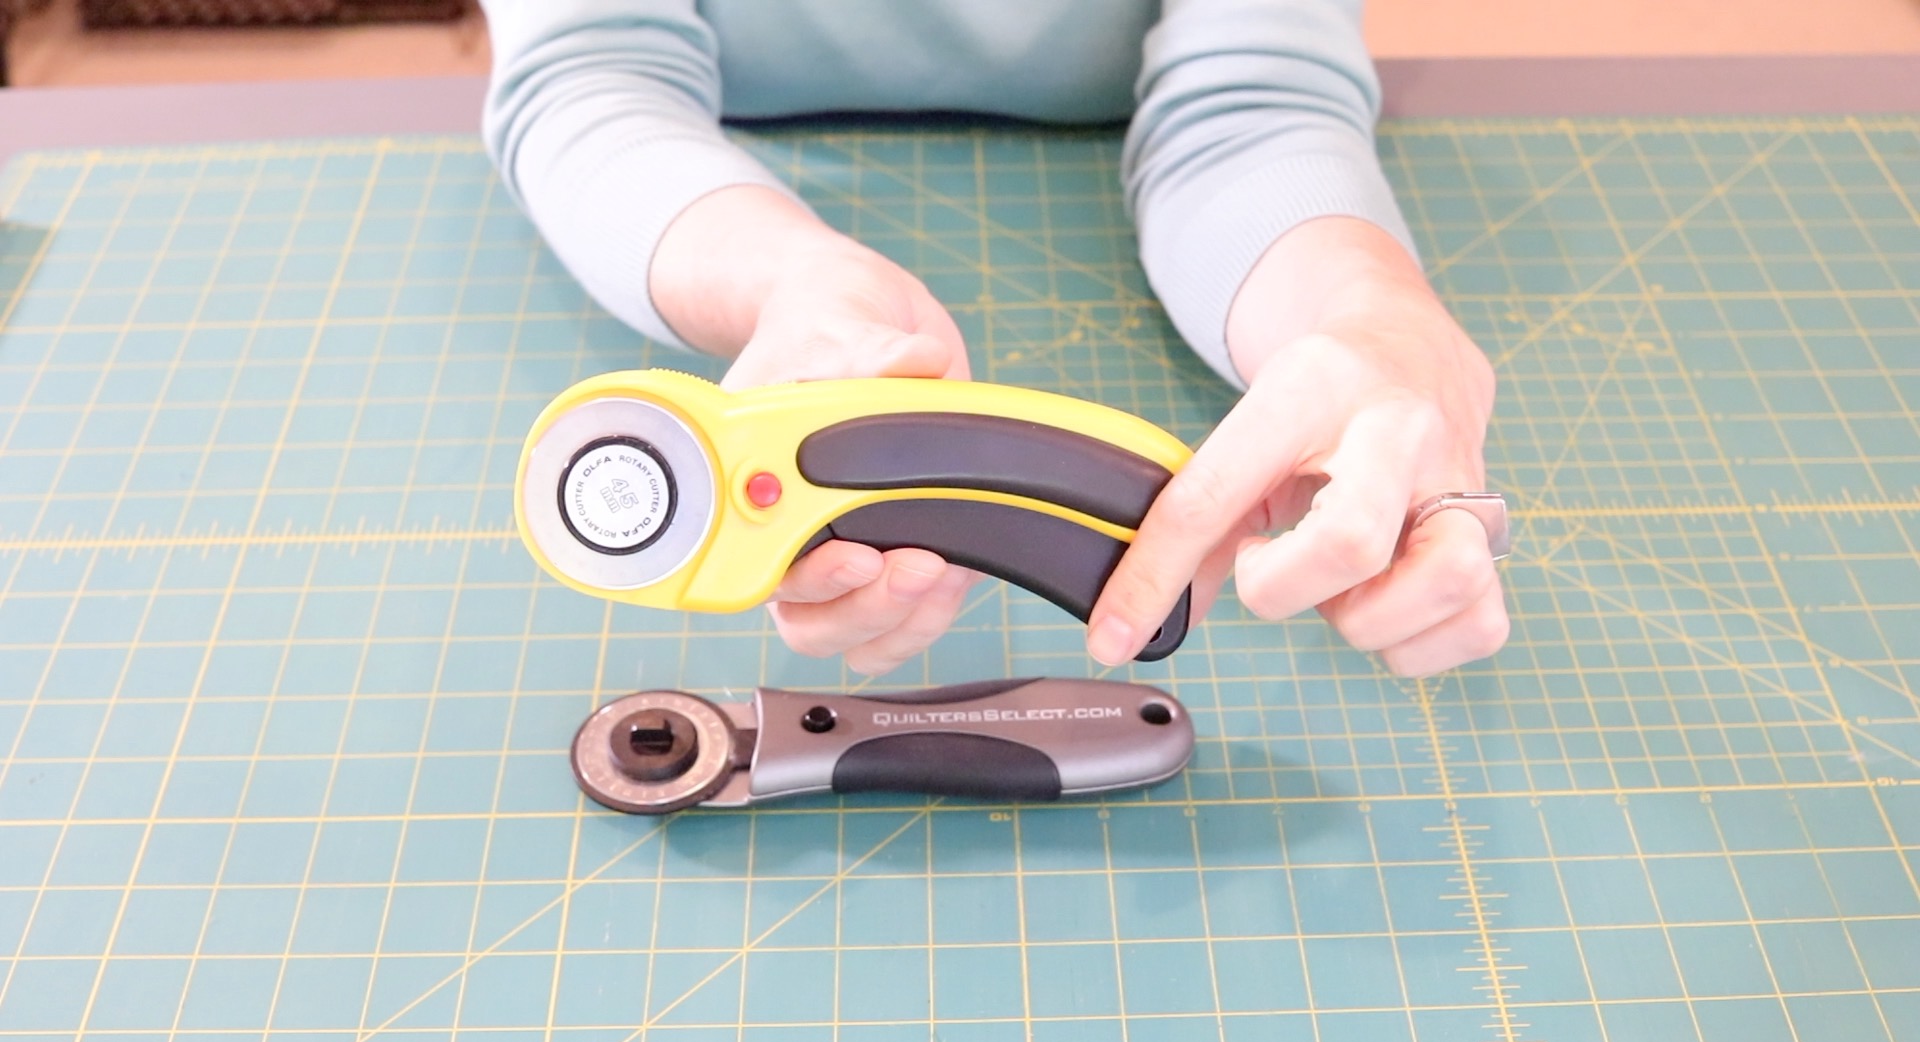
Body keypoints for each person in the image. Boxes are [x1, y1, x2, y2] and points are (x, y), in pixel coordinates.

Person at [479, 0, 1509, 679]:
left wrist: (1373, 323)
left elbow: (1256, 105)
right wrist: (791, 281)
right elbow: (588, 74)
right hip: (712, 181)